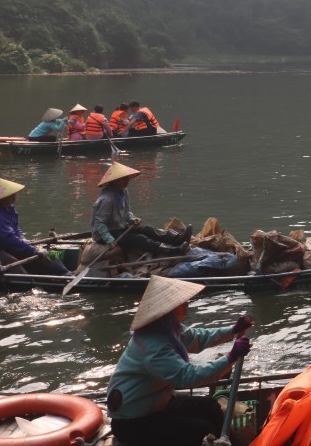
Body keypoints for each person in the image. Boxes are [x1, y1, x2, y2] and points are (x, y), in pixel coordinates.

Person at [106, 275, 254, 446]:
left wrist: (233, 330)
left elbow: (197, 338)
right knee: (201, 430)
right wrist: (230, 357)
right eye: (181, 303)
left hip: (157, 403)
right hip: (133, 421)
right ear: (168, 310)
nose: (187, 305)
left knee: (210, 407)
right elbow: (187, 376)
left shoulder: (168, 329)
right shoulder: (153, 346)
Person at [0, 177, 69, 275]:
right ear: (2, 198)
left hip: (2, 245)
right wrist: (33, 250)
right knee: (13, 262)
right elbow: (8, 238)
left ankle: (66, 274)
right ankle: (29, 285)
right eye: (11, 194)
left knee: (44, 255)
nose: (14, 196)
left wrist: (22, 239)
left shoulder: (10, 209)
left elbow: (16, 227)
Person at [91, 162, 191, 256]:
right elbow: (99, 223)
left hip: (120, 228)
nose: (127, 181)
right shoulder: (107, 199)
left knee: (147, 229)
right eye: (123, 179)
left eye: (127, 178)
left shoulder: (123, 192)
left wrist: (132, 218)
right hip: (105, 234)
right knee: (140, 239)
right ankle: (170, 250)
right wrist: (109, 239)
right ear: (114, 181)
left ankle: (176, 239)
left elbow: (126, 212)